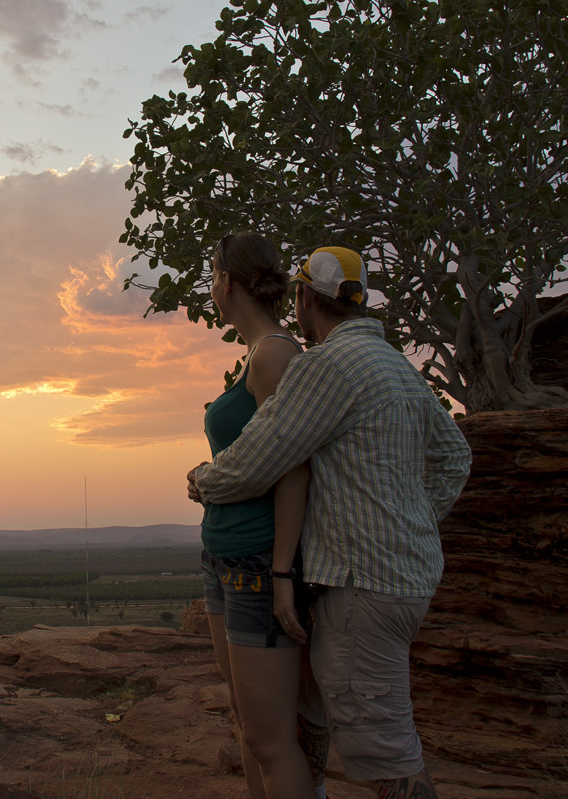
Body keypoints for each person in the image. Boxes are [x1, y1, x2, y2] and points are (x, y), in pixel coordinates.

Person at [188, 246, 472, 799]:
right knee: (315, 723)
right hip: (403, 577)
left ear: (304, 297)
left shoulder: (328, 366)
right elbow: (453, 457)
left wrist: (205, 480)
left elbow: (265, 457)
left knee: (389, 753)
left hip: (364, 582)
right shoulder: (392, 362)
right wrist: (412, 524)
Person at [195, 232, 326, 799]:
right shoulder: (258, 354)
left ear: (227, 282)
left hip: (256, 561)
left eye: (212, 275)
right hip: (226, 557)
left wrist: (281, 572)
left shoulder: (275, 355)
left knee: (273, 740)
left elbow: (295, 469)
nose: (211, 287)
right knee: (249, 724)